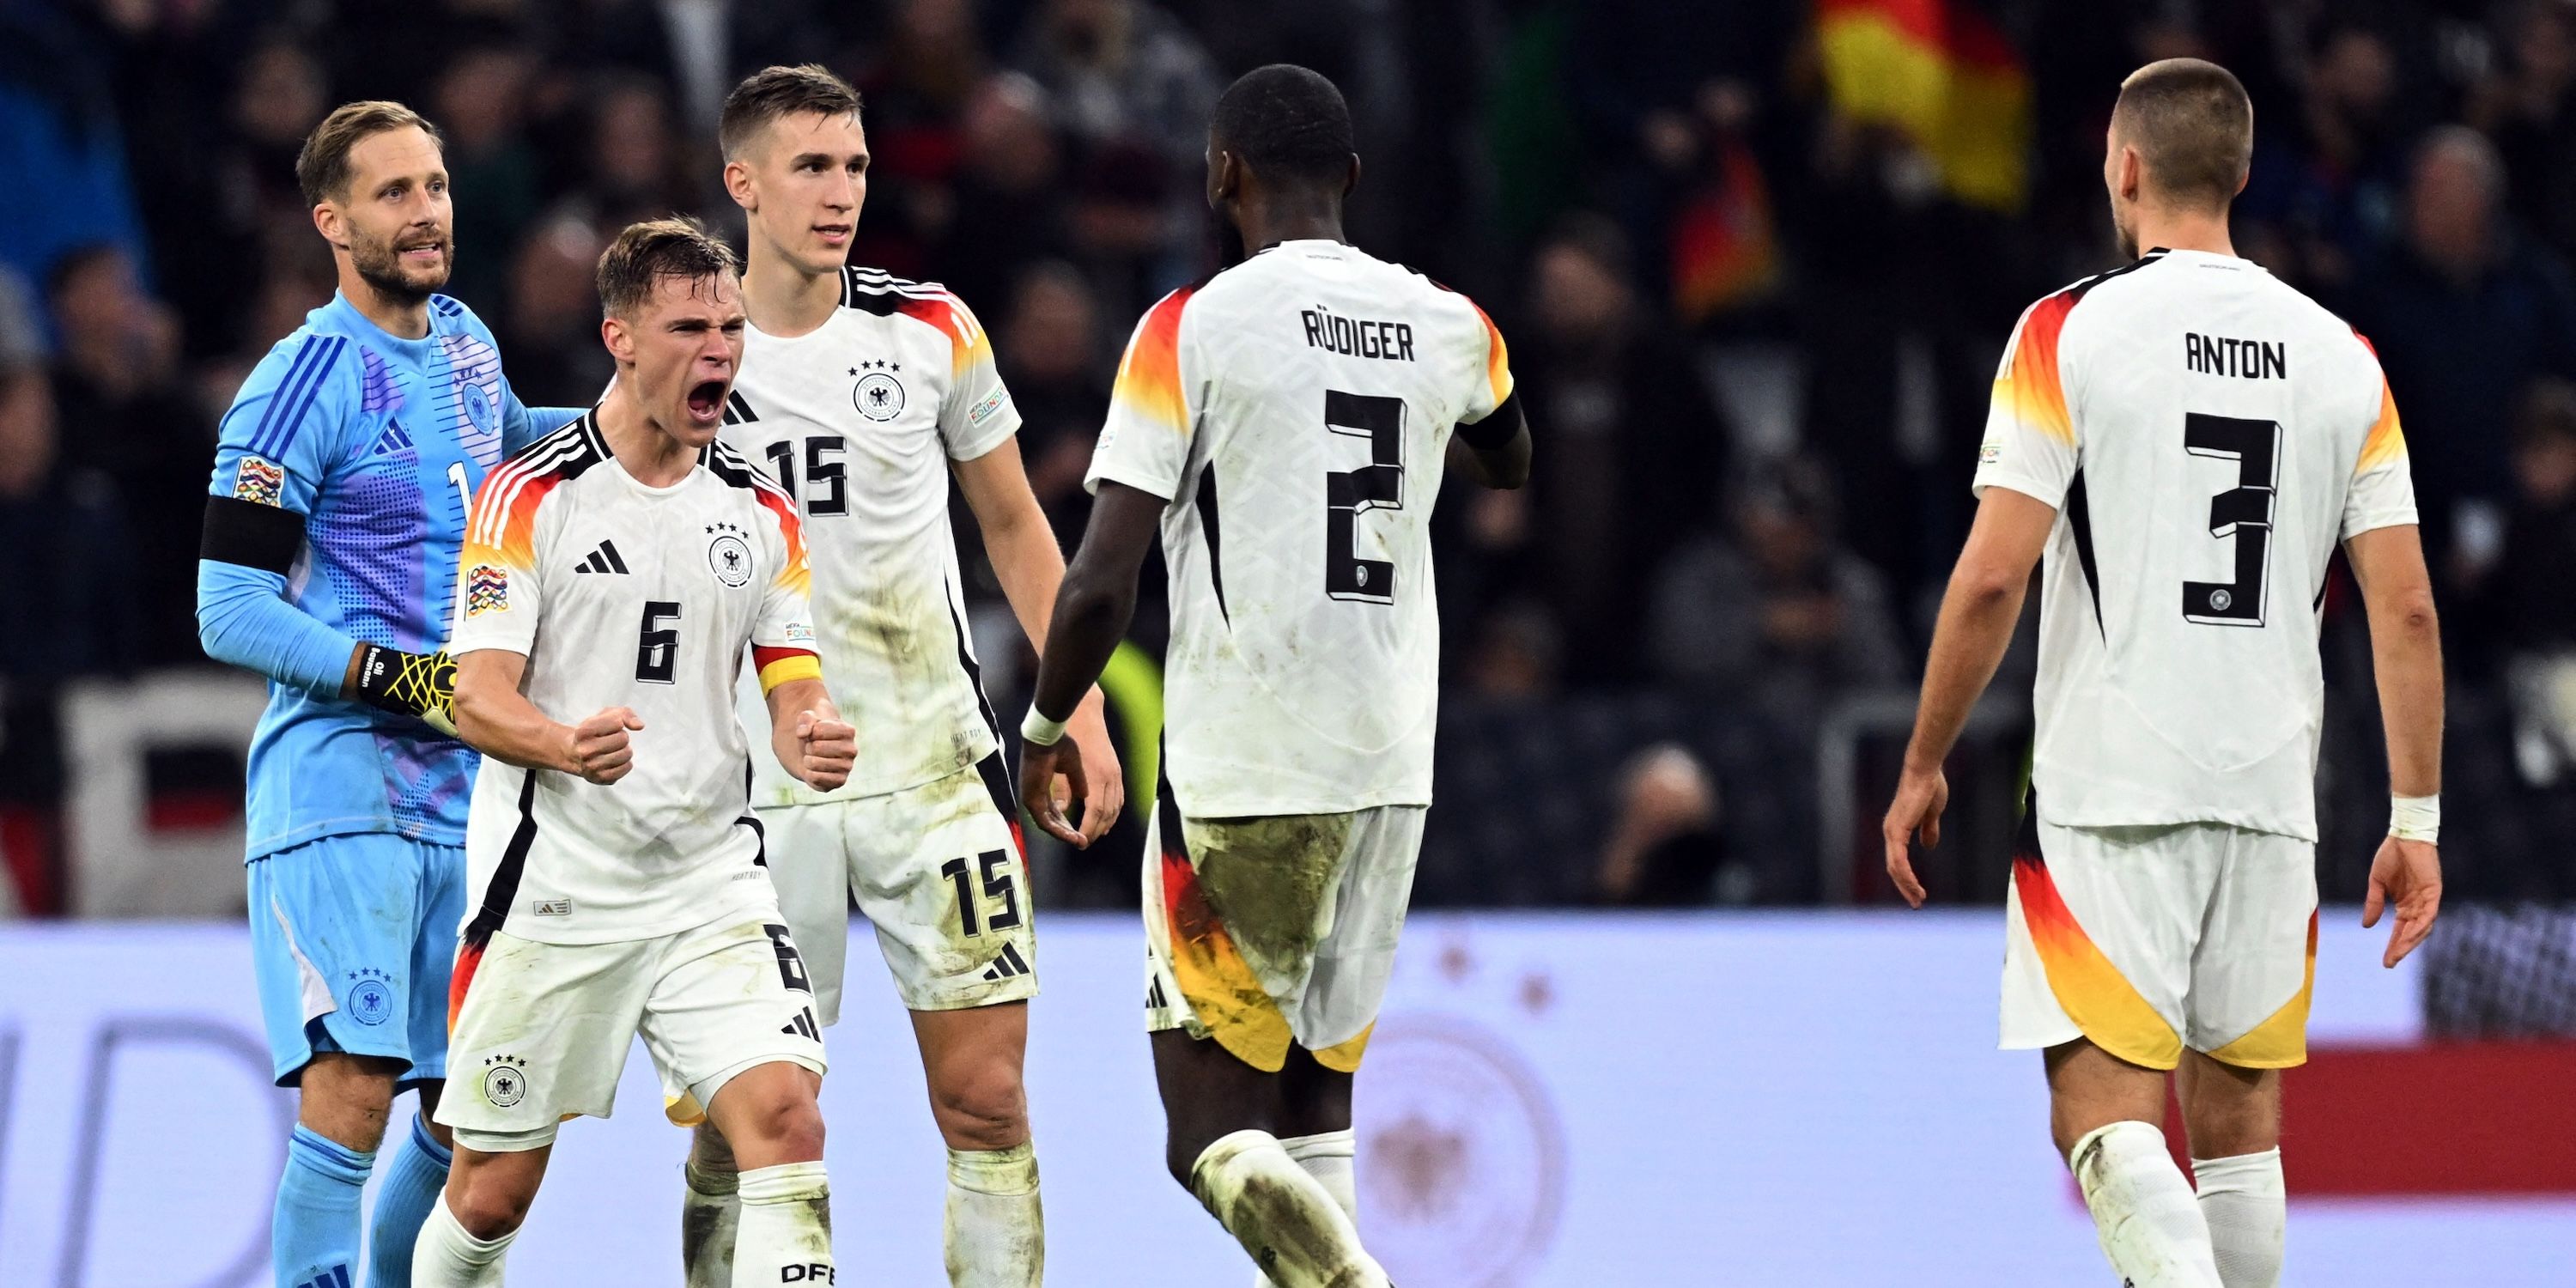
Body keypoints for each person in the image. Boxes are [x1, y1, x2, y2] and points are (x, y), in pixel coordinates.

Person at [1880, 60, 2445, 1288]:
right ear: (2240, 176)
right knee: (2239, 1136)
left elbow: (1990, 579)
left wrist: (1925, 757)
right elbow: (2403, 605)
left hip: (2114, 783)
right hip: (2270, 792)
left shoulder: (2067, 331)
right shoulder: (2342, 356)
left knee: (2102, 1119)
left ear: (2122, 168)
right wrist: (2417, 819)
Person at [1018, 64, 1531, 1287]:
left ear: (1222, 175)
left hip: (1247, 766)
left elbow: (1101, 579)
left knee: (1208, 1137)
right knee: (1318, 1106)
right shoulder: (1449, 319)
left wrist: (1045, 720)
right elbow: (1509, 455)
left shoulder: (1190, 327)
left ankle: (1358, 1283)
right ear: (1352, 179)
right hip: (1390, 770)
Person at [675, 64, 1124, 1288]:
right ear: (743, 183)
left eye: (857, 165)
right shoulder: (681, 350)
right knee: (753, 1119)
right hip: (753, 798)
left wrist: (1071, 703)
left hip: (934, 776)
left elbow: (1020, 530)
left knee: (985, 1104)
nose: (841, 191)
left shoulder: (930, 330)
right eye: (812, 166)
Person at [416, 218, 854, 1286]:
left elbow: (791, 672)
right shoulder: (532, 499)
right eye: (690, 328)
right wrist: (564, 743)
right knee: (488, 1195)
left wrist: (807, 731)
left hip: (711, 882)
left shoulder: (760, 509)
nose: (720, 352)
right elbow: (476, 699)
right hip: (560, 888)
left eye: (732, 328)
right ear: (619, 337)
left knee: (789, 1125)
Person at [193, 100, 582, 1288]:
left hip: (470, 795)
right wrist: (395, 672)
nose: (426, 214)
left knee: (475, 1107)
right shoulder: (298, 382)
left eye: (437, 187)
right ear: (331, 221)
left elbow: (517, 453)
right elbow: (229, 609)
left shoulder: (465, 340)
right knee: (355, 1087)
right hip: (343, 790)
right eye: (394, 194)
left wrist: (649, 419)